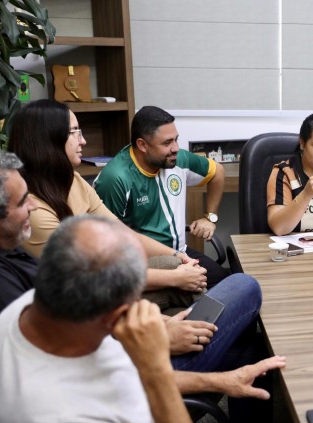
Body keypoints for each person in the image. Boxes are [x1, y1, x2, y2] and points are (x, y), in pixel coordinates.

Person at [0, 215, 313, 423]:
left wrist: (221, 381)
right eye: (136, 302)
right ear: (114, 317)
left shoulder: (35, 307)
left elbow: (111, 379)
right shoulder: (56, 419)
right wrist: (154, 365)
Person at [0, 144, 265, 396]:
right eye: (21, 202)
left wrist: (161, 324)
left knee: (250, 351)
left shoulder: (0, 249)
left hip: (125, 347)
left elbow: (74, 311)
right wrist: (159, 339)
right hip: (120, 382)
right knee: (244, 286)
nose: (32, 205)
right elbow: (61, 370)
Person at [8, 99, 211, 301]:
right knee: (191, 285)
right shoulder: (33, 208)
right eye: (75, 132)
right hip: (79, 298)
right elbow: (88, 277)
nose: (83, 141)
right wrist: (175, 278)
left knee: (182, 270)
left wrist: (178, 256)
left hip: (105, 272)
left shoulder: (74, 181)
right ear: (48, 139)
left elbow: (120, 232)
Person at [95, 105, 229, 288]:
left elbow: (217, 172)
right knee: (202, 290)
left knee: (228, 283)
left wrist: (210, 217)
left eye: (176, 139)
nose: (176, 148)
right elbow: (106, 244)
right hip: (142, 262)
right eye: (167, 143)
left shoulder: (176, 159)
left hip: (180, 253)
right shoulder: (116, 179)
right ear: (142, 145)